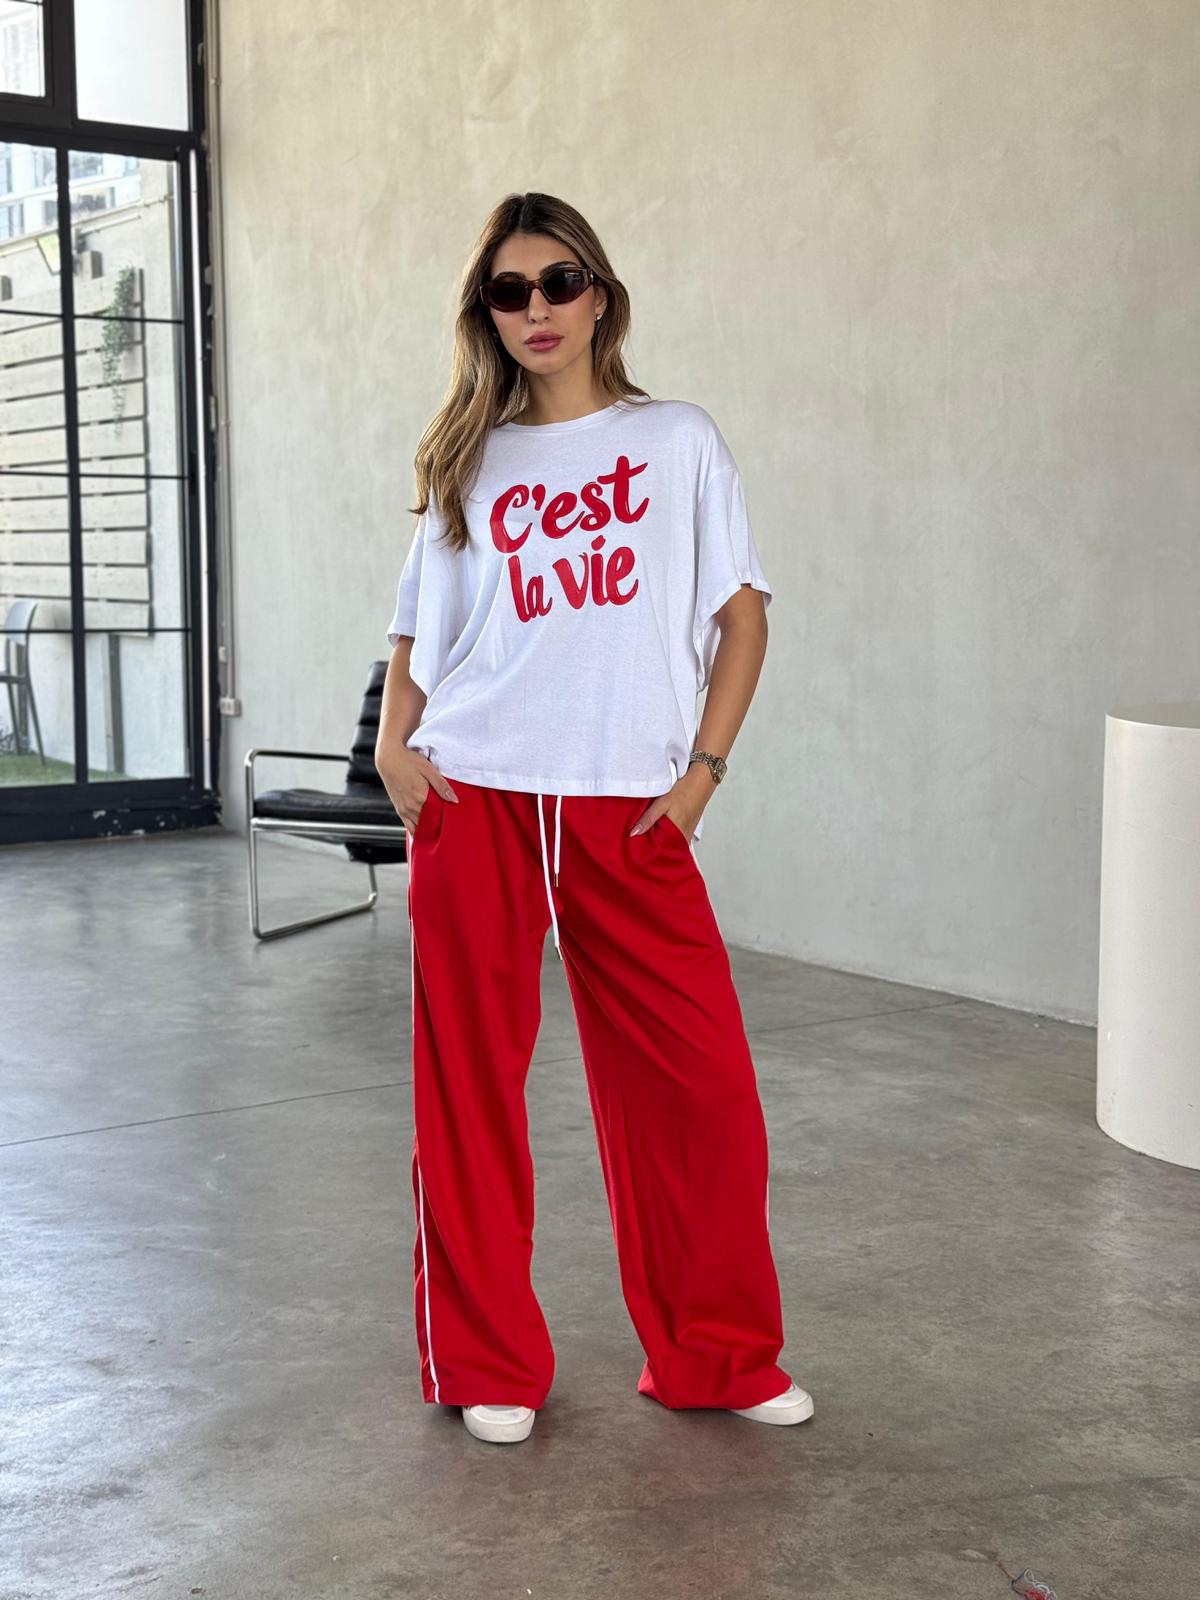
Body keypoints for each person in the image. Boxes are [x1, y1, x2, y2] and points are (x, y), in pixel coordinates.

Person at [376, 192, 814, 1446]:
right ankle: (486, 1359)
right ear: (487, 314)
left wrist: (702, 775)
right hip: (479, 795)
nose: (537, 310)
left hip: (630, 808)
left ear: (601, 294)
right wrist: (397, 746)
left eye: (558, 282)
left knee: (699, 1090)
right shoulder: (469, 459)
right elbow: (416, 629)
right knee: (469, 1092)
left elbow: (742, 618)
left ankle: (716, 1356)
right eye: (509, 291)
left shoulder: (677, 441)